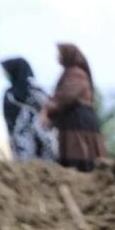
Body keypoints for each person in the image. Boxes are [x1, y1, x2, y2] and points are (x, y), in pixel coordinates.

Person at [42, 43, 106, 172]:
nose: (57, 57)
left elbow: (66, 96)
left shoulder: (76, 74)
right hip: (73, 122)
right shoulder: (69, 73)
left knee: (80, 157)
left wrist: (47, 110)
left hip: (79, 123)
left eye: (60, 54)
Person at [0, 57, 58, 162]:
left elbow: (49, 107)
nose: (5, 74)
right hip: (18, 138)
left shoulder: (33, 90)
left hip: (38, 137)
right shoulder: (10, 93)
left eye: (6, 71)